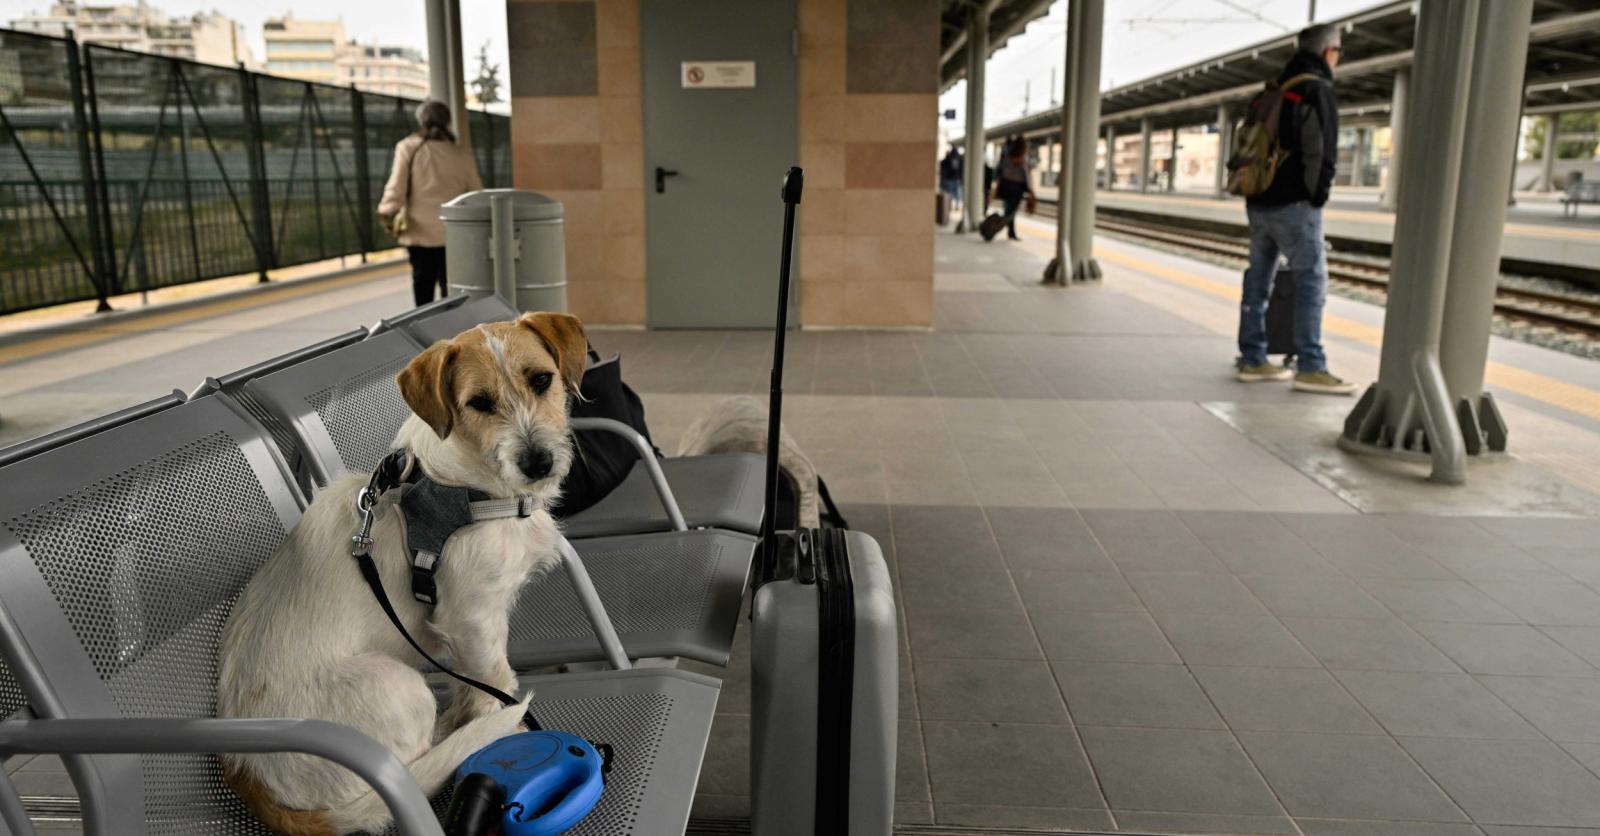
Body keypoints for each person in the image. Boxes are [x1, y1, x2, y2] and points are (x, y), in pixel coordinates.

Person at [1234, 23, 1355, 395]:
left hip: (1259, 200)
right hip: (1294, 205)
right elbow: (1323, 150)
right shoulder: (1315, 89)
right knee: (1311, 281)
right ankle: (1310, 364)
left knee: (1259, 277)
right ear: (1327, 51)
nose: (1337, 58)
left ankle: (1252, 358)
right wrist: (1316, 197)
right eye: (1338, 51)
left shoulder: (1274, 89)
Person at [378, 100, 484, 307]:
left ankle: (423, 332)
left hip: (419, 231)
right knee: (451, 285)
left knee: (423, 283)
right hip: (453, 231)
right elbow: (475, 192)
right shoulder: (460, 153)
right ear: (448, 121)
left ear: (421, 121)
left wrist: (386, 210)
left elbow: (397, 185)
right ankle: (452, 330)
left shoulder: (408, 147)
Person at [990, 136, 1035, 241]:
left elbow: (1001, 170)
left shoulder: (1008, 156)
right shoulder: (1023, 158)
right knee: (1010, 212)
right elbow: (1026, 175)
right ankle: (995, 227)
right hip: (1017, 188)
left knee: (1008, 210)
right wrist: (1030, 189)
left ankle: (1010, 232)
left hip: (1006, 186)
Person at [939, 144, 964, 222]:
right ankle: (955, 206)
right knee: (956, 194)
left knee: (950, 193)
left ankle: (950, 206)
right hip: (956, 178)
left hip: (950, 178)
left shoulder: (949, 157)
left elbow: (943, 165)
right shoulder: (959, 158)